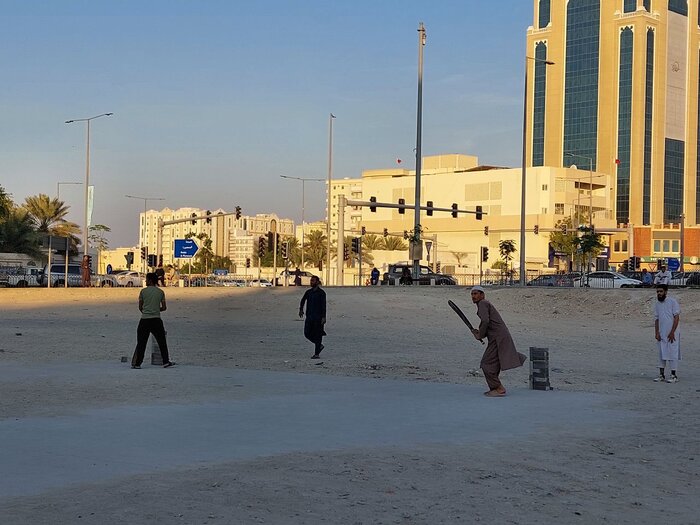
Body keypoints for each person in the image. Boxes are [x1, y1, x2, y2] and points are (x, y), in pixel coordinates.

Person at [470, 285, 527, 397]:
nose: (473, 296)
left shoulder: (483, 303)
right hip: (499, 337)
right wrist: (480, 334)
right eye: (472, 294)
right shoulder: (484, 304)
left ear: (482, 295)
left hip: (498, 338)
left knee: (486, 364)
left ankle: (498, 388)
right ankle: (496, 388)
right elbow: (487, 323)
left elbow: (485, 321)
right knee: (493, 364)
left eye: (476, 294)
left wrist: (480, 334)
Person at [131, 272, 175, 369]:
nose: (146, 281)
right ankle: (166, 361)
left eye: (146, 279)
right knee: (162, 342)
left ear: (150, 280)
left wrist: (147, 310)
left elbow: (140, 307)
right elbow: (164, 308)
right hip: (156, 320)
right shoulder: (160, 292)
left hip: (144, 320)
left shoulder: (143, 292)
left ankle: (138, 363)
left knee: (141, 342)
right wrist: (155, 309)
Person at [653, 284, 680, 383]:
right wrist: (656, 333)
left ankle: (673, 375)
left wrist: (672, 332)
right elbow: (656, 319)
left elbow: (676, 317)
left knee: (672, 353)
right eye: (657, 292)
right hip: (661, 333)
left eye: (661, 291)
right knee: (661, 353)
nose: (659, 293)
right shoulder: (657, 304)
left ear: (665, 292)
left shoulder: (672, 302)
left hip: (672, 333)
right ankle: (661, 375)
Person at [298, 275, 326, 359]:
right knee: (307, 333)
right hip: (309, 316)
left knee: (318, 335)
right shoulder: (308, 292)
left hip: (318, 318)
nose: (311, 282)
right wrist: (301, 310)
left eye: (313, 281)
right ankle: (319, 345)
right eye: (311, 281)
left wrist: (324, 317)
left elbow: (323, 306)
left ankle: (316, 353)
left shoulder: (321, 293)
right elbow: (303, 300)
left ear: (317, 282)